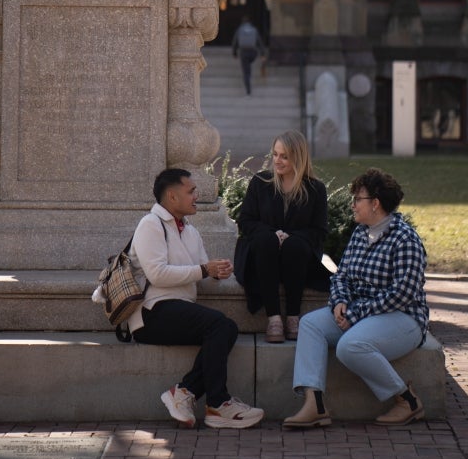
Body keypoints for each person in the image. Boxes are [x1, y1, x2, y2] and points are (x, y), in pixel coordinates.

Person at [283, 167, 429, 429]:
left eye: (357, 199)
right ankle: (315, 404)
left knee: (350, 346)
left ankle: (407, 400)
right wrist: (340, 302)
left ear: (375, 203)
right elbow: (342, 276)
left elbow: (402, 294)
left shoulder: (405, 238)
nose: (352, 205)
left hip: (403, 318)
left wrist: (355, 313)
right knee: (310, 324)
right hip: (360, 314)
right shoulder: (360, 233)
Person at [129, 167, 264, 429]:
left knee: (227, 329)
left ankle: (185, 392)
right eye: (190, 191)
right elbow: (157, 275)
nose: (196, 195)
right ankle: (218, 403)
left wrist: (216, 271)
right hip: (151, 313)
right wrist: (204, 270)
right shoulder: (150, 225)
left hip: (178, 311)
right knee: (220, 326)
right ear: (171, 196)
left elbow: (201, 268)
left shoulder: (189, 230)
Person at [235, 131, 330, 342]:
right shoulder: (260, 182)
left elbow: (319, 231)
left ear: (298, 157)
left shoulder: (315, 189)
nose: (277, 161)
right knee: (266, 240)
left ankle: (293, 316)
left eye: (284, 156)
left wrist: (289, 237)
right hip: (262, 255)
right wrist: (273, 234)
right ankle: (274, 318)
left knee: (294, 245)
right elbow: (246, 221)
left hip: (298, 258)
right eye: (275, 154)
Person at [231, 16, 266, 94]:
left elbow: (235, 42)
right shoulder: (254, 30)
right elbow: (259, 42)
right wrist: (262, 54)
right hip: (253, 52)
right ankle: (249, 68)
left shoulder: (239, 30)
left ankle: (248, 90)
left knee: (246, 72)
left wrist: (234, 53)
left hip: (243, 52)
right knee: (249, 64)